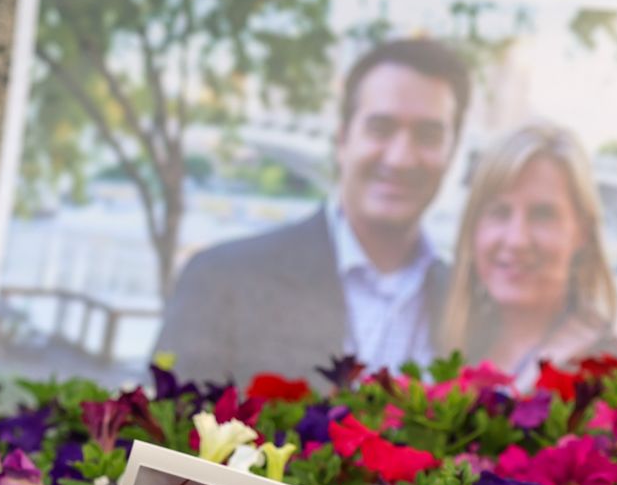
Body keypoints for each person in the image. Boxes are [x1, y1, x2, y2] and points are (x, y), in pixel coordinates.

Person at [158, 39, 470, 385]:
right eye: (380, 129)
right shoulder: (222, 280)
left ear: (451, 153)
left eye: (428, 135)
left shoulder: (469, 305)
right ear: (342, 140)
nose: (400, 158)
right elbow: (153, 435)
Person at [439, 122, 617, 388]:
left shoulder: (605, 371)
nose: (516, 239)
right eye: (499, 212)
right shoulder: (450, 340)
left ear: (582, 232)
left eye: (543, 215)